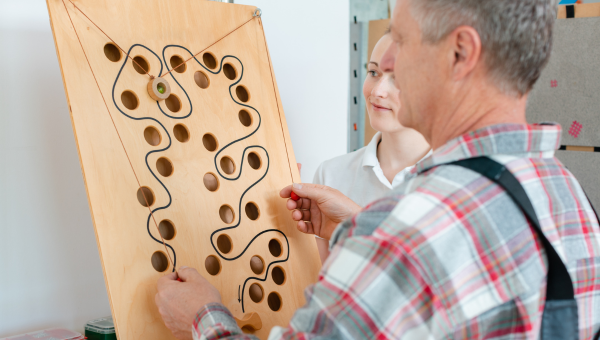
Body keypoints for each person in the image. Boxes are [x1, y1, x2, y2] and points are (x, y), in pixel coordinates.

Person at [155, 0, 600, 339]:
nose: (388, 64)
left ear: (460, 52)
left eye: (401, 39)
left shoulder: (407, 232)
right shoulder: (565, 194)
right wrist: (361, 224)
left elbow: (417, 248)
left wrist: (202, 315)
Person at [313, 32, 430, 262]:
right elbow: (319, 288)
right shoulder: (330, 176)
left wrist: (358, 220)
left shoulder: (459, 182)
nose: (377, 92)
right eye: (374, 73)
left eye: (398, 78)